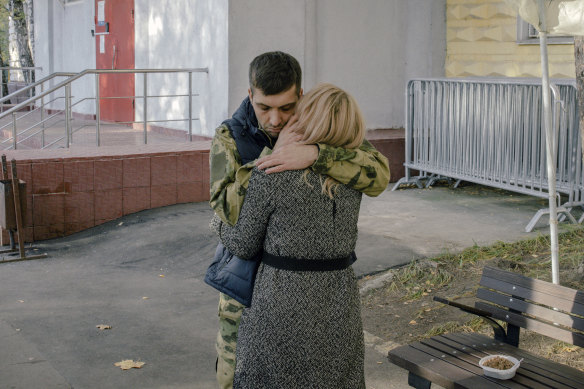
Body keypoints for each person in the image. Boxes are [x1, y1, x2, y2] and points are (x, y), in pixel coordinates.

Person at [209, 51, 390, 388]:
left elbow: (378, 174)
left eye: (286, 108)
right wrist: (270, 159)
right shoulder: (230, 137)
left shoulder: (322, 130)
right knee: (234, 374)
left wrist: (319, 155)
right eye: (265, 108)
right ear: (250, 95)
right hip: (244, 283)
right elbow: (223, 208)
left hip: (296, 291)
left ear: (301, 97)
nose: (275, 120)